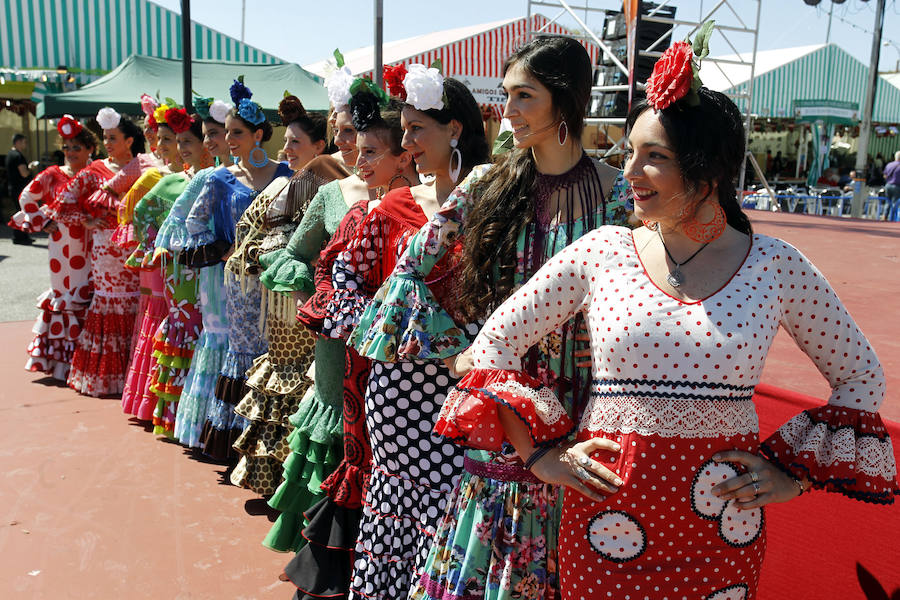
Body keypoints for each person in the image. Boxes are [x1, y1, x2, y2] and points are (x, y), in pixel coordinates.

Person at [437, 35, 897, 598]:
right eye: (629, 151)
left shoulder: (777, 265)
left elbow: (861, 377)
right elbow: (490, 349)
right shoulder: (603, 250)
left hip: (722, 535)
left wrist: (790, 478)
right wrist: (540, 457)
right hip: (603, 526)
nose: (629, 171)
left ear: (708, 169)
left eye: (654, 156)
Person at [356, 38, 630, 600]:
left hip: (589, 406)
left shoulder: (620, 196)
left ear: (567, 100)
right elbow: (410, 270)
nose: (508, 111)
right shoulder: (488, 185)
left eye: (524, 95)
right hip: (505, 413)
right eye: (506, 95)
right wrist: (466, 346)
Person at [327, 71, 490, 599]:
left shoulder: (494, 206)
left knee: (454, 505)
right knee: (395, 509)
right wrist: (388, 325)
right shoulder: (389, 208)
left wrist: (470, 342)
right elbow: (343, 284)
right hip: (396, 392)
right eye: (404, 132)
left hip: (467, 389)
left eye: (418, 129)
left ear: (456, 129)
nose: (408, 144)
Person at [256, 80, 370, 554]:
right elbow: (292, 253)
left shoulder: (423, 197)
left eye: (358, 135)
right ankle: (324, 555)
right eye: (343, 133)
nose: (351, 145)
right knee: (336, 433)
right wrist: (324, 287)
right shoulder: (331, 191)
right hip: (335, 347)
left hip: (393, 352)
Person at [223, 95, 328, 495]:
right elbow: (246, 246)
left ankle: (298, 488)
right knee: (283, 381)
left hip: (314, 313)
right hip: (282, 311)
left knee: (308, 390)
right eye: (286, 143)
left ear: (321, 147)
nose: (286, 151)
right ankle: (277, 483)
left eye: (295, 143)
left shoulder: (335, 190)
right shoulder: (282, 186)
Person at [183, 78, 292, 461]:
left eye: (237, 132)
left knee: (277, 354)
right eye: (226, 132)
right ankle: (240, 446)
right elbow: (193, 225)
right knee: (245, 352)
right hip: (241, 284)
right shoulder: (219, 177)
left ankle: (271, 450)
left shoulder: (288, 176)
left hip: (279, 281)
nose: (229, 139)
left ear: (259, 134)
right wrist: (226, 249)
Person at [127, 108, 213, 435]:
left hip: (214, 270)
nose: (183, 147)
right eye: (180, 142)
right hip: (182, 271)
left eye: (188, 141)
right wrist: (159, 245)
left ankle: (202, 419)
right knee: (187, 326)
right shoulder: (174, 182)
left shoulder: (224, 177)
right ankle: (178, 418)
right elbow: (140, 214)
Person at [52, 108, 150, 397]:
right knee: (109, 305)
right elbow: (61, 205)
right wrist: (86, 221)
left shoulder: (146, 167)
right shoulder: (95, 171)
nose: (107, 143)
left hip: (136, 250)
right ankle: (105, 377)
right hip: (106, 250)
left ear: (129, 140)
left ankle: (132, 380)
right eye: (105, 138)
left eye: (112, 138)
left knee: (137, 303)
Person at [156, 96, 232, 448]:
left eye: (221, 132)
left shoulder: (273, 171)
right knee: (218, 338)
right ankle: (211, 429)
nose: (218, 140)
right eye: (211, 134)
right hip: (216, 276)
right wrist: (212, 248)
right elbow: (178, 221)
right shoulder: (207, 176)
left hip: (252, 279)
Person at [8, 117, 97, 379]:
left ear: (89, 149)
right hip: (61, 247)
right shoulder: (52, 174)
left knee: (88, 290)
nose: (70, 153)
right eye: (67, 148)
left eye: (76, 148)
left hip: (91, 245)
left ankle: (88, 361)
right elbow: (26, 197)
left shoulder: (98, 172)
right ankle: (63, 362)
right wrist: (43, 221)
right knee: (65, 293)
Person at [119, 102, 186, 420]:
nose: (162, 146)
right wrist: (155, 241)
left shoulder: (179, 177)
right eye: (160, 139)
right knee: (161, 318)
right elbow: (131, 210)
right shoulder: (156, 176)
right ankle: (150, 400)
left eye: (170, 140)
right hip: (161, 264)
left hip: (180, 265)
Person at [6, 133, 34, 244]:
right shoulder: (18, 156)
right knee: (22, 212)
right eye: (24, 142)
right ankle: (20, 237)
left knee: (20, 211)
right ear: (18, 142)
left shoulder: (10, 154)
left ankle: (22, 236)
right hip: (19, 188)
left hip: (13, 187)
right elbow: (24, 173)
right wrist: (30, 168)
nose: (25, 145)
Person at [884, 150, 900, 220]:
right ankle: (892, 218)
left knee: (887, 202)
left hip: (888, 185)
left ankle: (885, 216)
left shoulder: (889, 164)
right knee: (895, 202)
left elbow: (884, 175)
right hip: (896, 186)